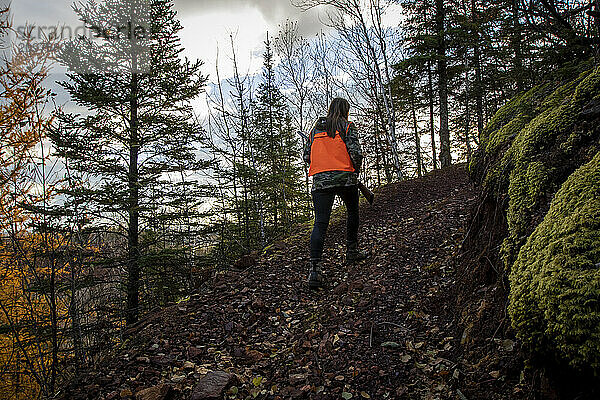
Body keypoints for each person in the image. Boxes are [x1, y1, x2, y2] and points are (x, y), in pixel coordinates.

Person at [303, 97, 369, 290]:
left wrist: (323, 168)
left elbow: (307, 155)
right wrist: (354, 170)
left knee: (320, 223)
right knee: (352, 211)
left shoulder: (315, 129)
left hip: (320, 181)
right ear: (345, 110)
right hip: (345, 178)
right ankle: (352, 251)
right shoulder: (347, 126)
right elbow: (356, 153)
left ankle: (315, 270)